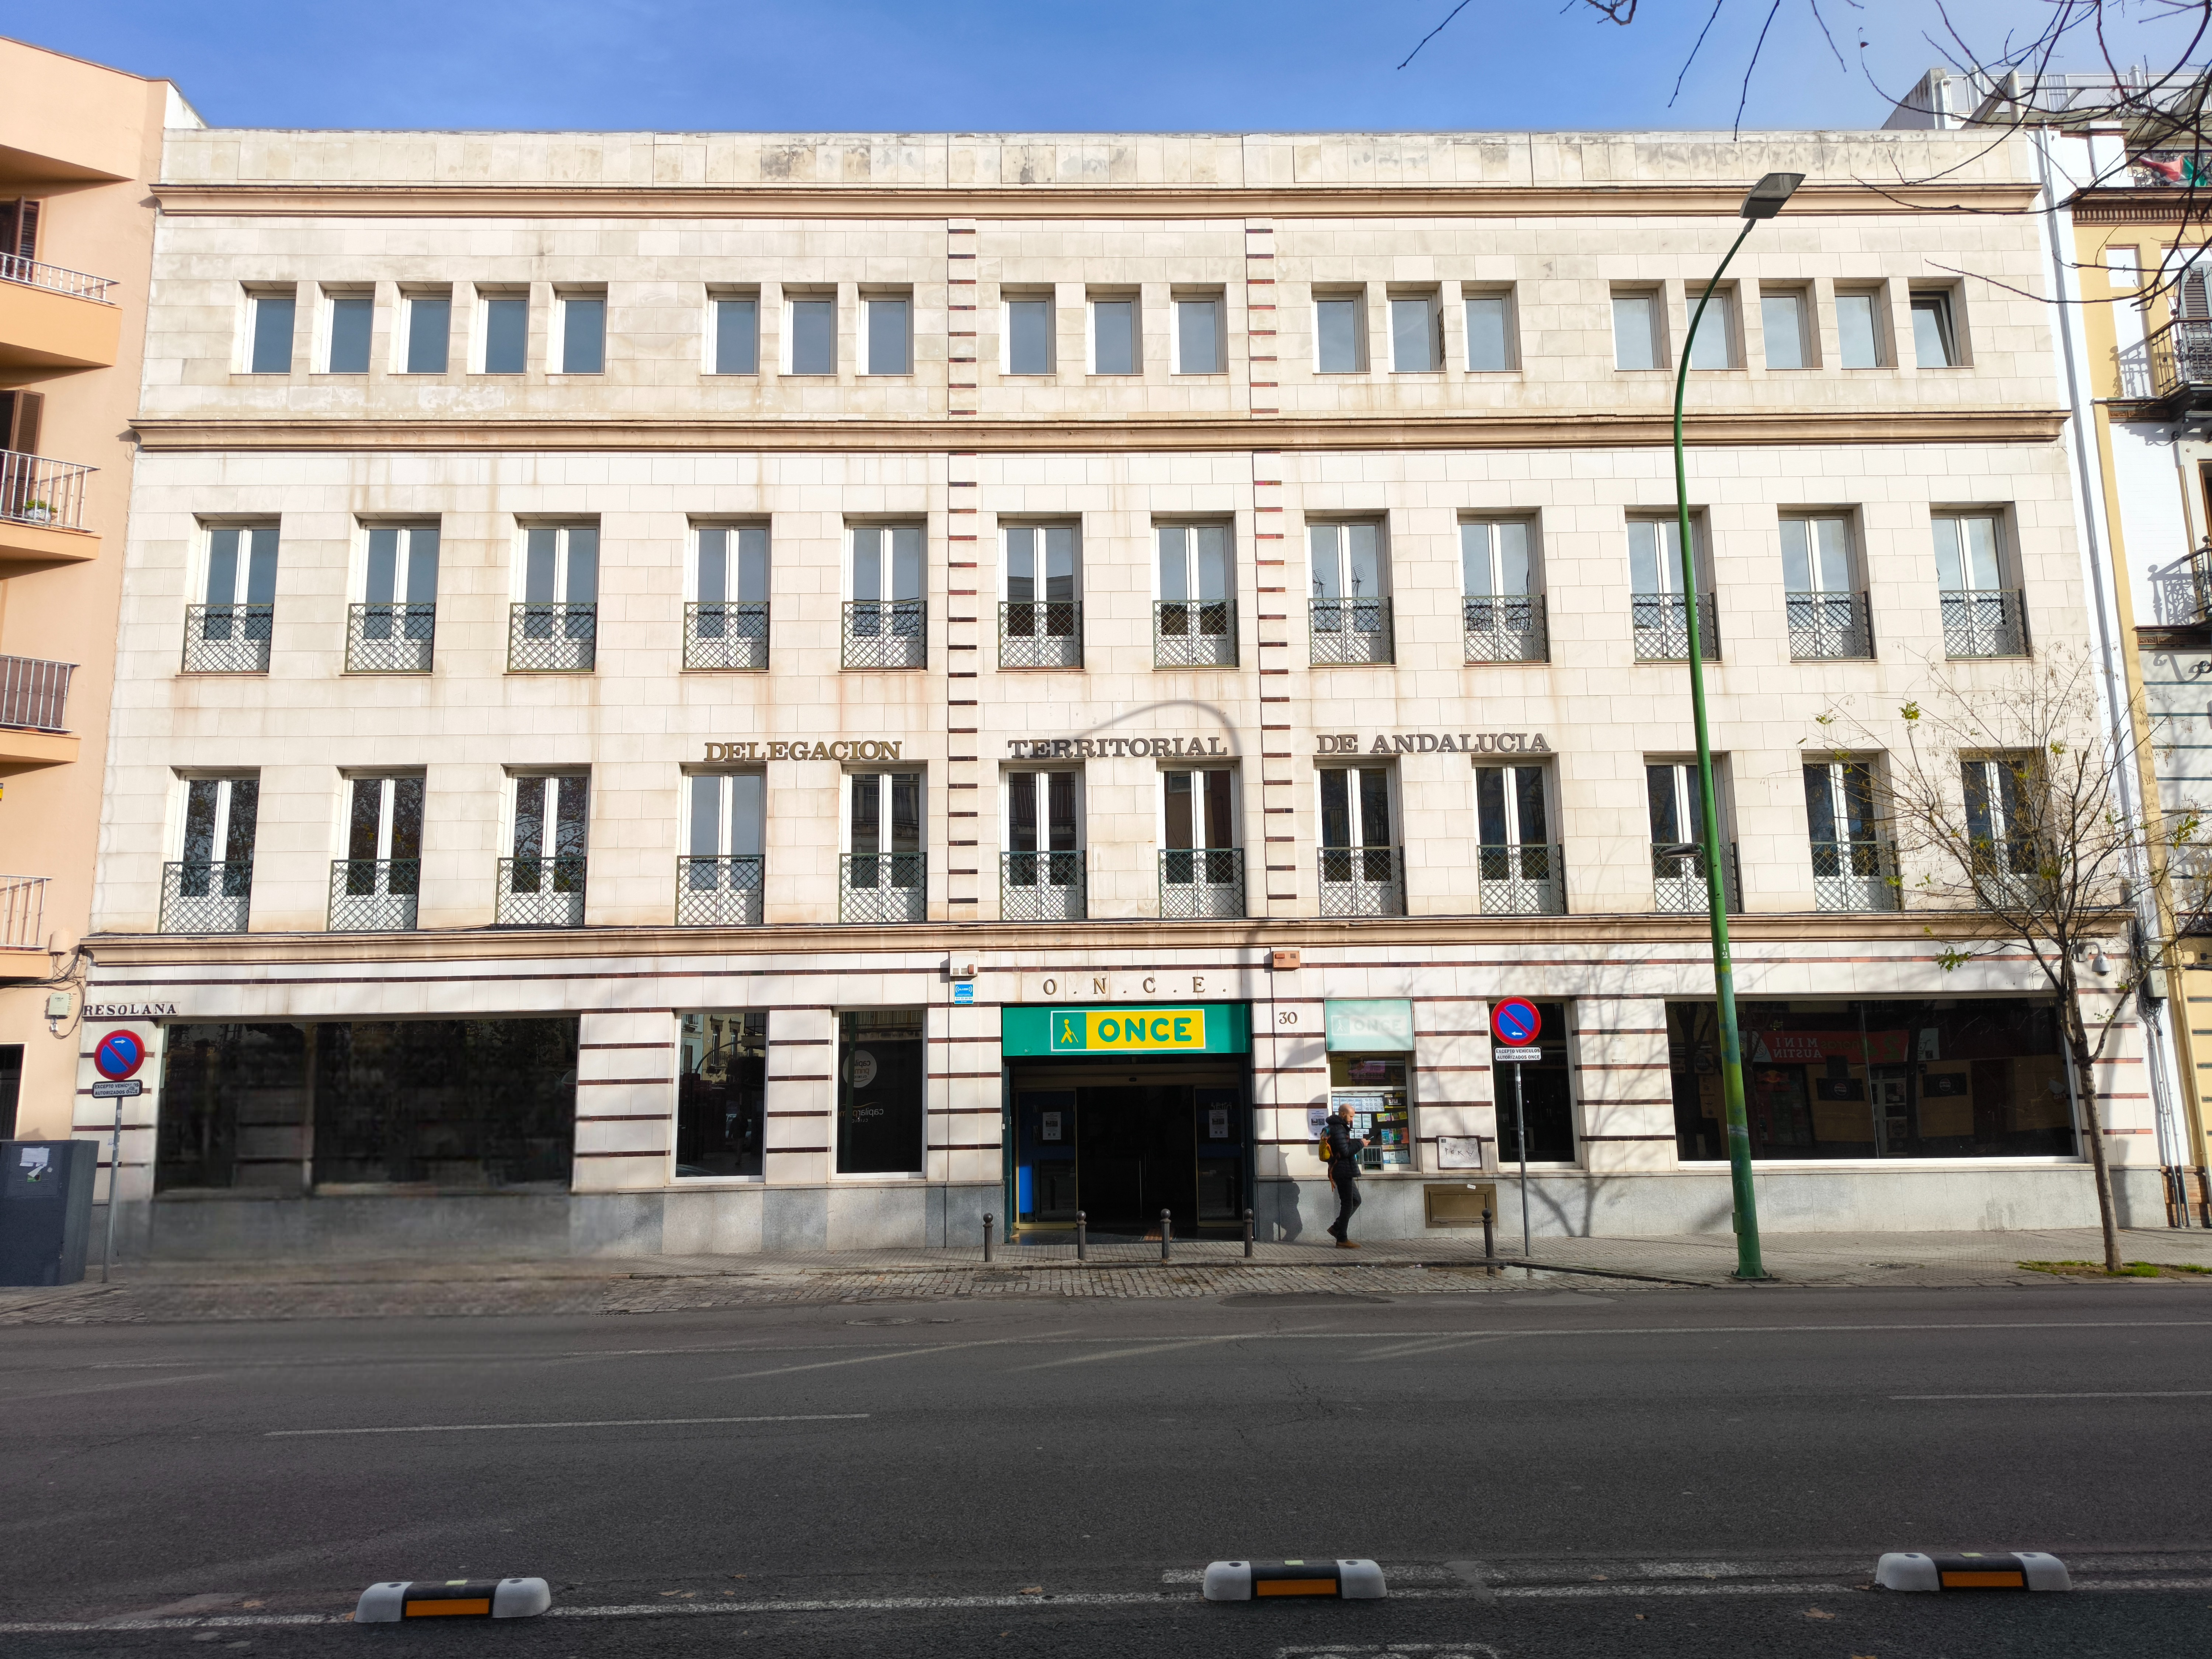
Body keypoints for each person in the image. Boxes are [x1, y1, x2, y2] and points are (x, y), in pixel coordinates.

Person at [1323, 1100, 1366, 1248]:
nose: (1352, 1120)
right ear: (1343, 1114)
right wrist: (1361, 1144)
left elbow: (1342, 1148)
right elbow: (1345, 1152)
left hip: (1343, 1170)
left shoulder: (1338, 1128)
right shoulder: (1338, 1129)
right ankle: (1342, 1238)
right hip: (1342, 1171)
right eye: (1351, 1116)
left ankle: (1337, 1228)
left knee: (1356, 1200)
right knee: (1348, 1203)